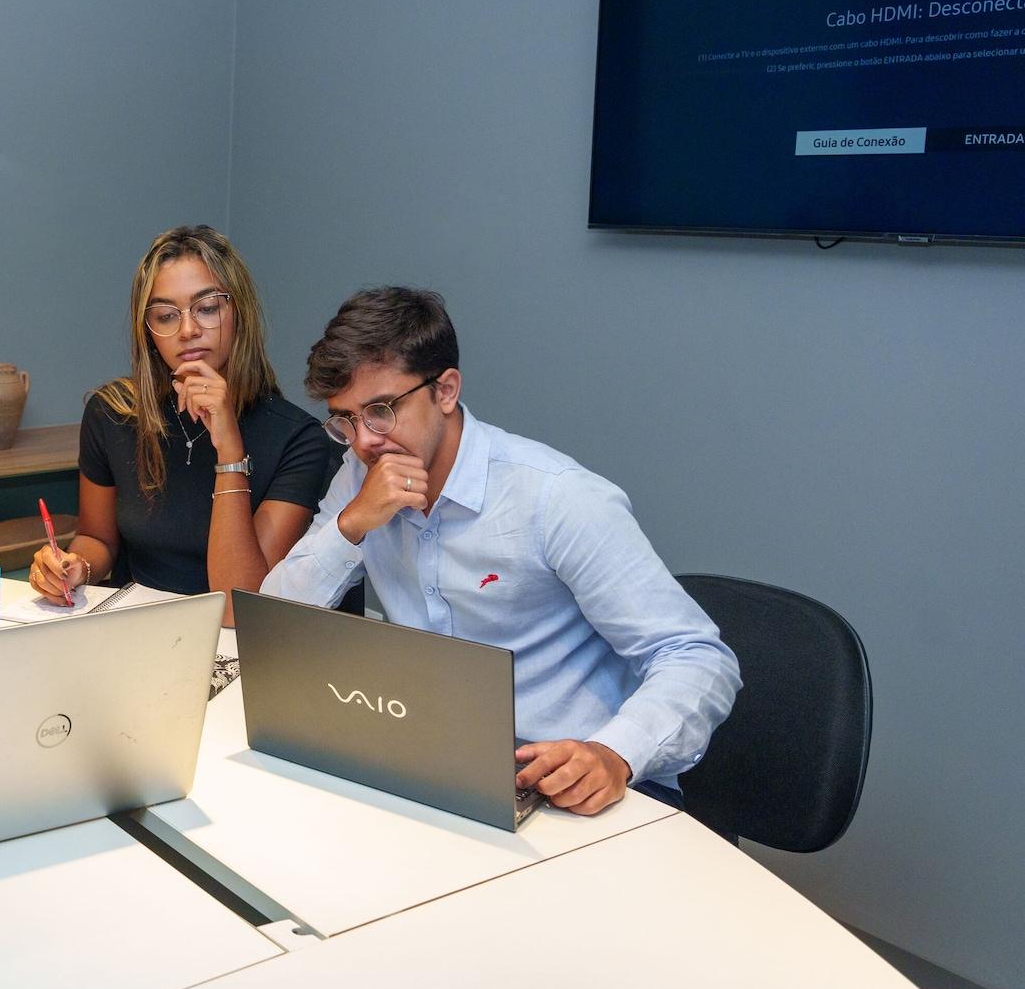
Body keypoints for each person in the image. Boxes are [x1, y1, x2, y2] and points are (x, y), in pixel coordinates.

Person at [260, 286, 741, 816]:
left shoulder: (556, 496)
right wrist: (351, 525)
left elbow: (697, 658)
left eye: (379, 411)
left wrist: (613, 753)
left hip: (571, 782)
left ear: (445, 390)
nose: (363, 441)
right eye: (344, 420)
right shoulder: (360, 480)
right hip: (440, 765)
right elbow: (273, 621)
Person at [28, 226, 337, 619]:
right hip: (133, 627)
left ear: (238, 311)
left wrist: (229, 451)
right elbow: (97, 538)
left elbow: (238, 605)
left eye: (207, 308)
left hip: (232, 641)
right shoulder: (113, 414)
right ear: (148, 331)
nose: (188, 330)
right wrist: (75, 567)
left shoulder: (297, 439)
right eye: (165, 315)